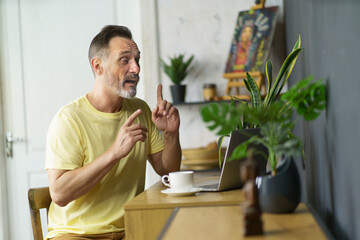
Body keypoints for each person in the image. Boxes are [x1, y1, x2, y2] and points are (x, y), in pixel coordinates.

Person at [45, 25, 182, 240]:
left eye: (137, 60)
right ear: (98, 67)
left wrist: (171, 134)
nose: (136, 69)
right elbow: (59, 194)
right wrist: (115, 152)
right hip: (76, 234)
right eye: (125, 60)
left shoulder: (140, 110)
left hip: (129, 230)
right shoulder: (69, 119)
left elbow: (168, 171)